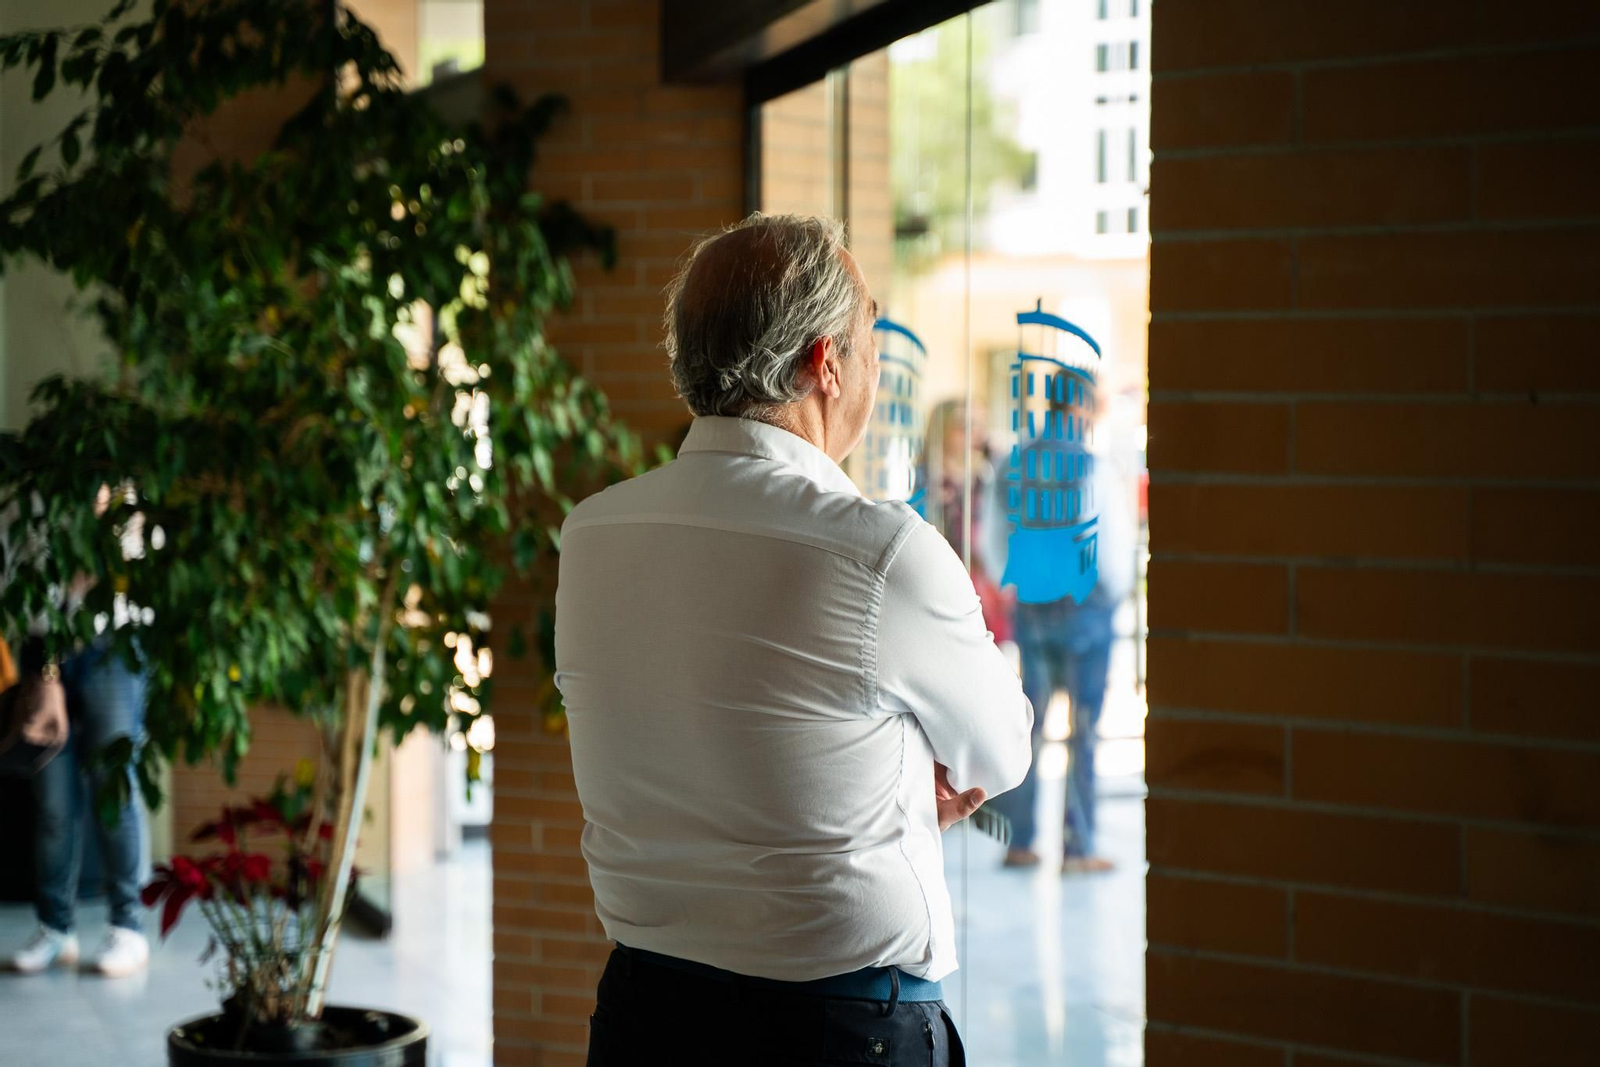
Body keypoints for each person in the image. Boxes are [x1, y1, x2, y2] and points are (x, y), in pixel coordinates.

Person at [554, 213, 1033, 1065]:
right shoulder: (882, 553)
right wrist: (891, 791)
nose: (879, 370)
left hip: (643, 1019)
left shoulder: (590, 534)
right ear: (827, 361)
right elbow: (1001, 751)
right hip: (840, 1035)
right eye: (873, 337)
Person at [982, 415, 1135, 873]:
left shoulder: (1014, 463)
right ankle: (1078, 845)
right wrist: (1112, 595)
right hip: (1085, 613)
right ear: (1086, 411)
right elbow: (1109, 546)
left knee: (1031, 725)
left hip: (1033, 610)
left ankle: (1021, 841)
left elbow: (992, 535)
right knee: (1083, 733)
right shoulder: (1093, 466)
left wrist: (1009, 588)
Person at [6, 497, 151, 977]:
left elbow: (141, 570)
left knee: (115, 783)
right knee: (52, 800)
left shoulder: (130, 496)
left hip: (115, 643)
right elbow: (16, 573)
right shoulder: (33, 494)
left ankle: (127, 926)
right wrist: (43, 664)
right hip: (46, 647)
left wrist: (108, 521)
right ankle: (55, 928)